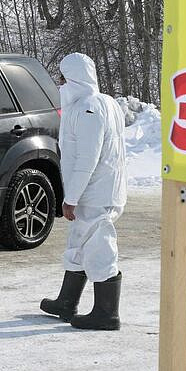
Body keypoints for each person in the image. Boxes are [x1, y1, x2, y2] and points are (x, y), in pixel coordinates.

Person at [39, 52, 127, 330]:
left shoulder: (88, 108)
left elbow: (86, 158)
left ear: (74, 78)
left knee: (100, 247)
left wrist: (71, 198)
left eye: (63, 78)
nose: (60, 84)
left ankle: (106, 312)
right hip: (98, 190)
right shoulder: (104, 103)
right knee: (78, 244)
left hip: (95, 194)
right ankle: (67, 301)